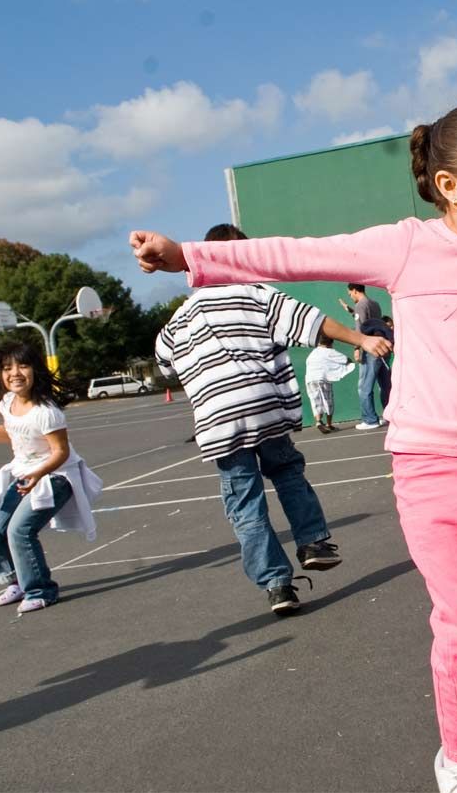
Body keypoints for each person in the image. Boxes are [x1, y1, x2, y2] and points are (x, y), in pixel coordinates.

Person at [130, 101, 457, 793]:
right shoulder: (408, 245)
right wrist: (188, 256)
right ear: (450, 184)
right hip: (432, 472)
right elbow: (297, 255)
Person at [155, 223, 392, 616]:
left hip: (219, 422)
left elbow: (163, 358)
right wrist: (363, 339)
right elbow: (314, 323)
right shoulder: (257, 295)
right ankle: (313, 541)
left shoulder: (182, 315)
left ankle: (277, 585)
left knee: (244, 503)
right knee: (286, 472)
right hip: (264, 407)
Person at [0, 342, 102, 614]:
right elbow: (13, 436)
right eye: (7, 368)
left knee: (19, 531)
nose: (14, 373)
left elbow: (61, 452)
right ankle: (16, 580)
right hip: (25, 473)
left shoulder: (47, 411)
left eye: (22, 366)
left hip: (56, 475)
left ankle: (42, 590)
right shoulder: (7, 402)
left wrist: (38, 473)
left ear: (35, 370)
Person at [339, 284, 389, 430]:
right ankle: (390, 416)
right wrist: (349, 309)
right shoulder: (375, 304)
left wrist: (356, 348)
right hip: (382, 348)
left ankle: (370, 420)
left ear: (355, 290)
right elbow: (367, 320)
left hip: (370, 349)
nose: (350, 296)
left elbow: (360, 327)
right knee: (385, 385)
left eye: (350, 294)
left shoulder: (361, 305)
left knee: (364, 387)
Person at [305, 332, 356, 433]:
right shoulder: (330, 352)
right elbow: (346, 360)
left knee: (315, 401)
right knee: (328, 400)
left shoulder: (313, 353)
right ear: (330, 343)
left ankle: (318, 421)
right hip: (323, 378)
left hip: (310, 380)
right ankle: (329, 424)